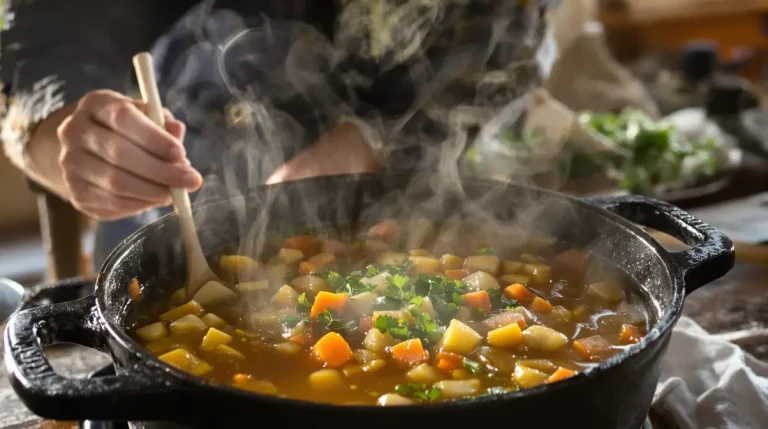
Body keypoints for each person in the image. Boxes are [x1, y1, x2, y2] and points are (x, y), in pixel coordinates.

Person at [1, 0, 558, 268]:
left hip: (453, 193)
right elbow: (51, 29)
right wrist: (74, 138)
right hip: (175, 207)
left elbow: (508, 22)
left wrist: (370, 139)